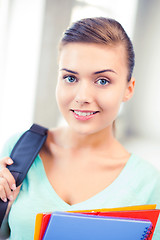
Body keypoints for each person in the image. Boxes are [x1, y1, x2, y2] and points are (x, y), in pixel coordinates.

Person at [0, 17, 160, 239]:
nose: (82, 97)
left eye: (102, 80)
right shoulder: (18, 150)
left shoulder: (148, 183)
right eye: (70, 77)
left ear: (128, 89)